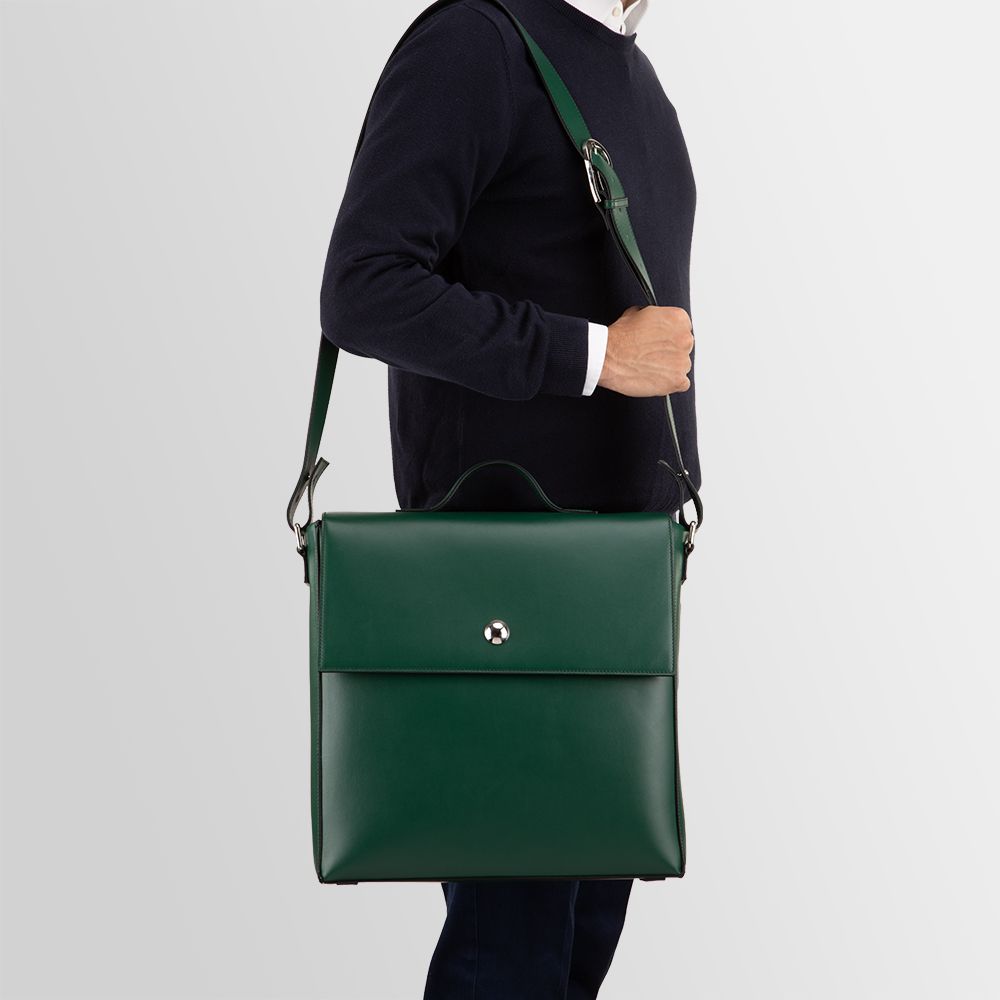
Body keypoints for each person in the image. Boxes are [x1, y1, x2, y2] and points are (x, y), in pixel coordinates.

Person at [318, 0, 700, 995]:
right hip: (505, 593)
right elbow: (364, 286)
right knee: (511, 954)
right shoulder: (477, 43)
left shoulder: (630, 71)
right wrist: (591, 354)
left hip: (618, 595)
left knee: (572, 951)